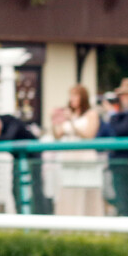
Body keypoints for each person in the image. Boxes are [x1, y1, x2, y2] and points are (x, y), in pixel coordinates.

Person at [50, 85, 103, 216]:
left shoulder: (91, 114)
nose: (72, 99)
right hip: (69, 156)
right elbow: (57, 135)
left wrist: (72, 120)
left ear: (82, 97)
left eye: (75, 95)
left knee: (86, 188)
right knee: (68, 188)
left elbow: (89, 135)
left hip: (85, 156)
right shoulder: (68, 114)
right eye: (70, 95)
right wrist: (54, 120)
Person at [107, 78, 128, 216]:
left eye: (123, 95)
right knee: (123, 197)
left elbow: (120, 130)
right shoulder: (126, 113)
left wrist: (112, 114)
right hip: (123, 163)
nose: (121, 99)